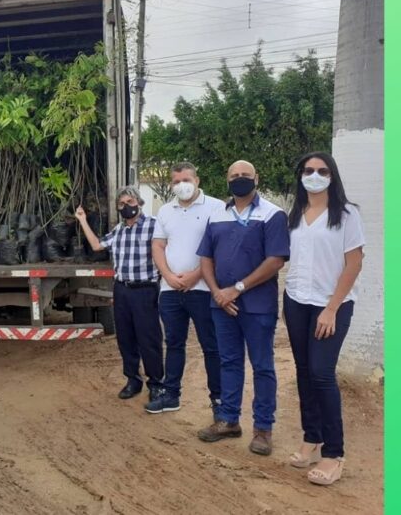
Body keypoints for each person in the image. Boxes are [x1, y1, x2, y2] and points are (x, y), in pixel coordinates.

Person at [196, 160, 290, 456]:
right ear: (227, 180)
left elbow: (276, 260)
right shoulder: (216, 215)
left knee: (262, 366)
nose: (239, 179)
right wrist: (217, 293)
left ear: (256, 179)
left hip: (257, 307)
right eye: (234, 175)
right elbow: (206, 258)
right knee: (229, 362)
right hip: (221, 306)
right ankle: (228, 420)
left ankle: (263, 428)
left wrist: (235, 290)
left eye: (245, 175)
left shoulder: (273, 214)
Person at [283, 152, 364, 486]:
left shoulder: (347, 215)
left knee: (321, 374)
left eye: (322, 171)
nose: (314, 175)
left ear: (332, 176)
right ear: (300, 175)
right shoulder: (296, 213)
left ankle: (334, 453)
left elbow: (354, 263)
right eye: (308, 170)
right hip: (296, 300)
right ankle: (311, 436)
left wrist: (331, 308)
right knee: (303, 371)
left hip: (331, 305)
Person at [149, 162, 226, 416]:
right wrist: (168, 276)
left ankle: (219, 401)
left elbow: (218, 248)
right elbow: (158, 246)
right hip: (170, 291)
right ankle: (171, 395)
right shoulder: (166, 211)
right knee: (173, 343)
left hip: (203, 289)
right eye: (176, 181)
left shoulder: (215, 207)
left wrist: (196, 275)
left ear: (197, 180)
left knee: (210, 345)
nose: (182, 185)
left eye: (186, 180)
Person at [75, 186, 163, 405]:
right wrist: (82, 220)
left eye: (130, 202)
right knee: (125, 338)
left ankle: (156, 384)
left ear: (140, 203)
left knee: (149, 339)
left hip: (145, 290)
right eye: (122, 204)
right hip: (122, 289)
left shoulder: (154, 226)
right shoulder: (119, 230)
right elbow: (96, 245)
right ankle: (133, 380)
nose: (126, 207)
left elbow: (167, 251)